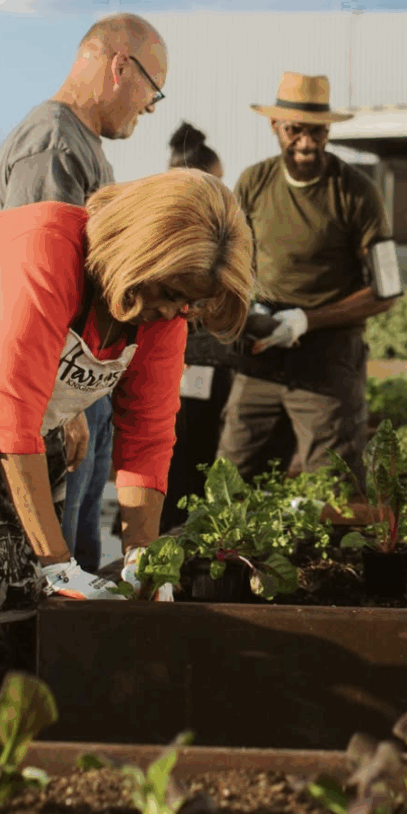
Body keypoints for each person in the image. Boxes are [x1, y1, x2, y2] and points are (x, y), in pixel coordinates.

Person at [0, 170, 252, 721]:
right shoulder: (46, 246)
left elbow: (148, 434)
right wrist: (57, 562)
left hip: (22, 430)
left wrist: (142, 556)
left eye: (187, 304)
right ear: (139, 254)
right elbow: (9, 410)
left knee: (14, 600)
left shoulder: (163, 315)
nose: (172, 313)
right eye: (169, 294)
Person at [0, 12, 169, 575]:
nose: (151, 107)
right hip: (56, 391)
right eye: (153, 90)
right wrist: (56, 405)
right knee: (57, 571)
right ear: (120, 67)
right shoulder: (53, 146)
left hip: (76, 391)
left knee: (82, 559)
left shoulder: (78, 145)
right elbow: (33, 296)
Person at [217, 71, 397, 485]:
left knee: (332, 485)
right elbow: (232, 260)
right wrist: (249, 308)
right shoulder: (254, 182)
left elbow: (387, 291)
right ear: (274, 126)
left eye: (317, 131)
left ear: (328, 131)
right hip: (261, 354)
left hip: (327, 361)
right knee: (233, 480)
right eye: (294, 130)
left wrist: (306, 320)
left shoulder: (356, 192)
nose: (306, 142)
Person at [160, 123, 235, 533]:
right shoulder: (177, 227)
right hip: (187, 365)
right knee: (181, 459)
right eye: (217, 181)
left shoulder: (209, 225)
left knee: (195, 460)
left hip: (208, 366)